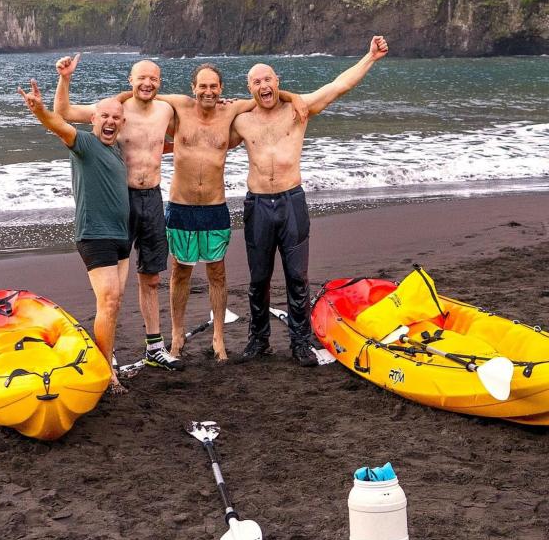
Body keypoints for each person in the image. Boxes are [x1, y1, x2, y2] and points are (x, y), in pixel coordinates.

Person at [230, 36, 389, 367]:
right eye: (256, 81)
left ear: (278, 82)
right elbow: (204, 137)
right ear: (249, 88)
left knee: (297, 277)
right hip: (257, 205)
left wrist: (370, 57)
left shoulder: (298, 110)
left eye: (268, 79)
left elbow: (337, 86)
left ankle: (300, 343)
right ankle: (258, 341)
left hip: (292, 202)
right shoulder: (241, 120)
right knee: (259, 278)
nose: (263, 85)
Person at [152, 65, 307, 362]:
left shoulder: (232, 110)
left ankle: (219, 338)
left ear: (221, 88)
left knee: (217, 273)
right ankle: (176, 336)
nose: (208, 92)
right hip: (181, 205)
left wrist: (293, 96)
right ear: (193, 87)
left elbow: (267, 96)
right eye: (203, 86)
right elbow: (142, 96)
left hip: (214, 206)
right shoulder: (178, 107)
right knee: (180, 272)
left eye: (214, 86)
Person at [53, 55, 183, 371]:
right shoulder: (114, 110)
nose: (147, 83)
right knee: (114, 290)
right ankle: (107, 353)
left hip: (152, 198)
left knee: (151, 278)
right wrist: (66, 78)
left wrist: (226, 105)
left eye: (153, 78)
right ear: (130, 80)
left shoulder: (167, 110)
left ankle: (155, 347)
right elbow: (64, 113)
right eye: (141, 78)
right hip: (119, 201)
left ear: (159, 82)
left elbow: (192, 128)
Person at [17, 81, 130, 394]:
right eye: (103, 116)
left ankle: (106, 358)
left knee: (115, 302)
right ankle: (106, 373)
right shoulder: (83, 143)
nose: (109, 122)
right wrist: (40, 110)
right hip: (95, 235)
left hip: (121, 235)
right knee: (108, 300)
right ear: (92, 119)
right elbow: (58, 124)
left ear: (122, 123)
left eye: (115, 118)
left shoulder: (117, 149)